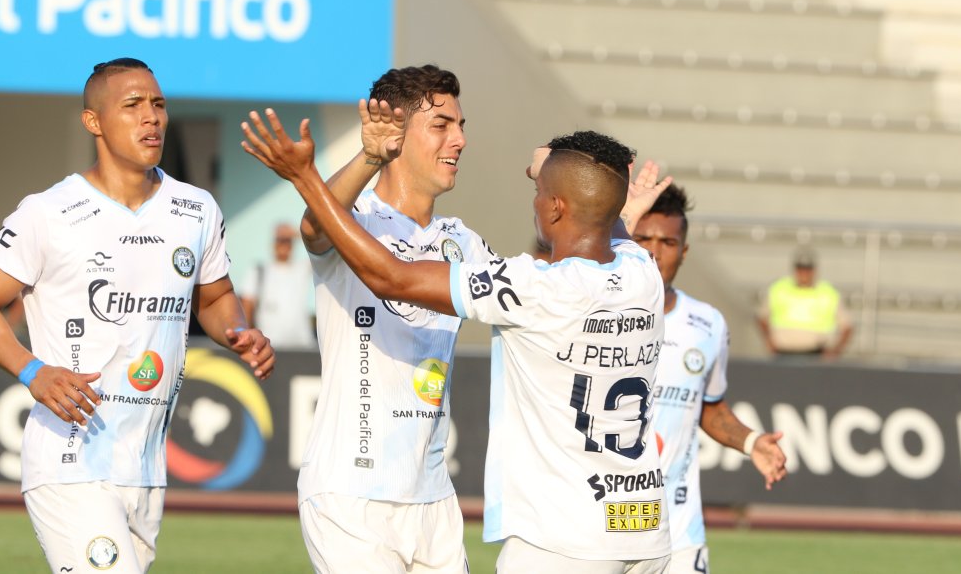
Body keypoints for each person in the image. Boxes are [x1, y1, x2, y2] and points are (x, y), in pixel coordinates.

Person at [244, 118, 672, 573]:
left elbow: (391, 276)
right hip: (644, 530)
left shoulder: (537, 290)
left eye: (539, 194)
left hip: (565, 540)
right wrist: (602, 200)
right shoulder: (640, 271)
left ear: (554, 209)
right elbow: (606, 227)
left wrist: (305, 178)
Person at [0, 58, 275, 574]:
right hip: (70, 459)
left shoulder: (196, 210)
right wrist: (31, 371)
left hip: (145, 467)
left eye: (158, 104)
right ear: (94, 122)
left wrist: (237, 331)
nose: (151, 117)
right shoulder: (49, 211)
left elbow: (214, 299)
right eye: (132, 106)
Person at [266, 65, 493, 573]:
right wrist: (368, 158)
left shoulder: (465, 242)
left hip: (433, 500)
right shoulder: (355, 219)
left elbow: (534, 293)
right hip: (351, 495)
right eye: (441, 125)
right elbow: (316, 227)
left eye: (461, 125)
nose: (458, 140)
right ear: (395, 133)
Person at [630, 184, 787, 574]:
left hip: (679, 531)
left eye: (667, 241)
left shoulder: (708, 324)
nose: (654, 250)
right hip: (604, 525)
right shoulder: (592, 314)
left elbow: (709, 409)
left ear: (683, 252)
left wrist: (752, 442)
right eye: (642, 238)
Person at [756, 248, 852, 359]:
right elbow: (762, 318)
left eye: (807, 270)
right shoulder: (778, 289)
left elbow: (847, 326)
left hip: (816, 355)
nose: (804, 274)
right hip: (782, 354)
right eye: (800, 269)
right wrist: (769, 341)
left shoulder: (828, 293)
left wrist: (836, 351)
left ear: (814, 271)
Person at [240, 222, 317, 349]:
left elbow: (325, 244)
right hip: (269, 344)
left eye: (287, 241)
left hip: (302, 343)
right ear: (273, 244)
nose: (284, 244)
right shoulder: (259, 270)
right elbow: (247, 305)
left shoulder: (301, 268)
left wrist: (296, 234)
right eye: (280, 240)